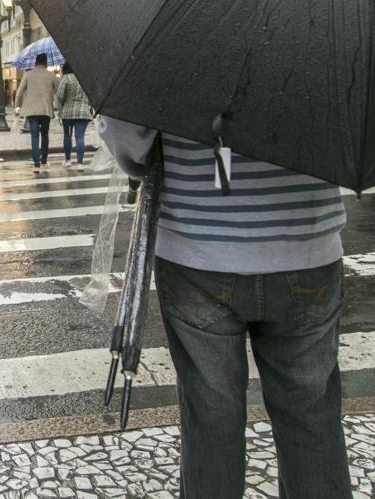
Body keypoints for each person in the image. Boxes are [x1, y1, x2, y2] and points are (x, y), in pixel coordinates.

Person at [99, 116, 351, 499]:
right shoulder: (330, 56)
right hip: (307, 242)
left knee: (210, 415)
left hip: (197, 249)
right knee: (311, 412)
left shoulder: (170, 53)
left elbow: (126, 134)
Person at [14, 53, 59, 173]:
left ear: (35, 62)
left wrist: (17, 106)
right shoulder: (51, 75)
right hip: (46, 110)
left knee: (34, 136)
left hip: (32, 111)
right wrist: (58, 107)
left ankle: (36, 164)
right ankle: (44, 160)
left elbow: (19, 92)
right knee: (45, 135)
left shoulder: (28, 74)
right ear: (46, 62)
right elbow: (58, 92)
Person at [54, 62, 93, 171]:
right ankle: (80, 163)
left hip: (68, 112)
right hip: (83, 112)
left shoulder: (66, 78)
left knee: (68, 135)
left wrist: (60, 109)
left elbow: (59, 95)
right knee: (80, 137)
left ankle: (67, 161)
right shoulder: (85, 79)